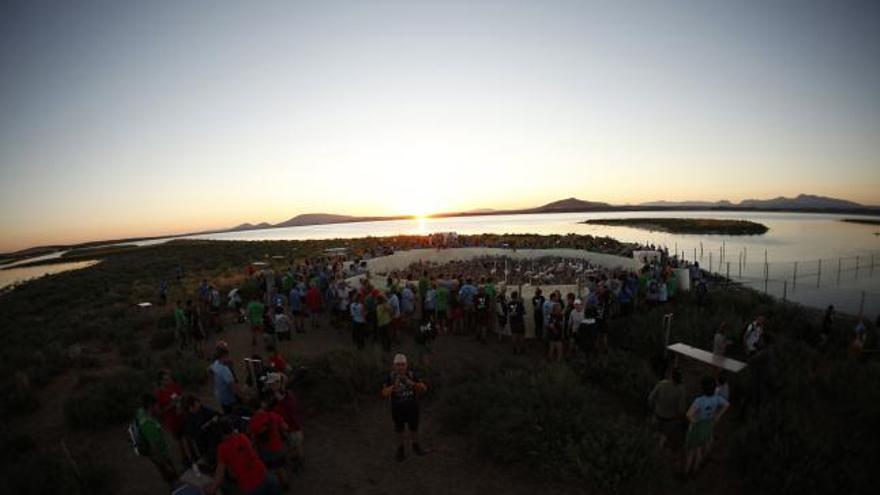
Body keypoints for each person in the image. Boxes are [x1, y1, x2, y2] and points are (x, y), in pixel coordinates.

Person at [209, 418, 281, 495]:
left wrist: (211, 490)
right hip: (266, 477)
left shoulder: (222, 448)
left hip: (251, 486)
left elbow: (220, 474)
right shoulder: (242, 437)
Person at [381, 354, 428, 461]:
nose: (400, 367)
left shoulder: (412, 375)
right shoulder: (390, 377)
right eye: (398, 365)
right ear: (394, 366)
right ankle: (400, 450)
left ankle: (416, 447)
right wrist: (394, 387)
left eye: (402, 364)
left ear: (406, 365)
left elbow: (424, 389)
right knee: (399, 430)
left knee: (414, 429)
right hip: (397, 409)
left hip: (412, 408)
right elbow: (384, 393)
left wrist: (412, 383)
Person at [684, 375, 730, 477]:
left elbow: (688, 414)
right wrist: (717, 416)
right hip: (708, 424)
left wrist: (694, 421)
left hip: (697, 426)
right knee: (699, 448)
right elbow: (727, 405)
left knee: (691, 451)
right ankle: (696, 469)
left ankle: (686, 473)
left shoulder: (699, 401)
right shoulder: (717, 398)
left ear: (703, 388)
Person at [249, 394, 291, 489]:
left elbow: (253, 440)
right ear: (262, 404)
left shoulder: (252, 423)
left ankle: (276, 487)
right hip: (278, 447)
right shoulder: (272, 415)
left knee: (272, 471)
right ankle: (285, 484)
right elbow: (285, 427)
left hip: (266, 452)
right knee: (281, 468)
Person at [137, 394, 178, 485]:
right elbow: (155, 447)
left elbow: (158, 413)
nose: (158, 406)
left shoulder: (141, 412)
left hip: (154, 454)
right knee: (172, 476)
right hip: (160, 455)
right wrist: (165, 465)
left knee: (168, 475)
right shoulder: (149, 425)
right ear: (151, 406)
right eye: (156, 405)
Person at [647, 367, 685, 450]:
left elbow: (651, 398)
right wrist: (678, 417)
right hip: (670, 418)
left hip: (657, 413)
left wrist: (651, 407)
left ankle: (649, 450)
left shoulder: (662, 384)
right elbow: (681, 409)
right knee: (663, 436)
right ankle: (658, 452)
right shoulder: (680, 390)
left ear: (671, 375)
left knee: (655, 433)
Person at [210, 347, 240, 413]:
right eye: (228, 356)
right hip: (229, 399)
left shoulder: (216, 363)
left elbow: (210, 370)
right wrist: (241, 396)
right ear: (224, 356)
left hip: (220, 396)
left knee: (225, 411)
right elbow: (233, 387)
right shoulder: (225, 370)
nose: (229, 358)